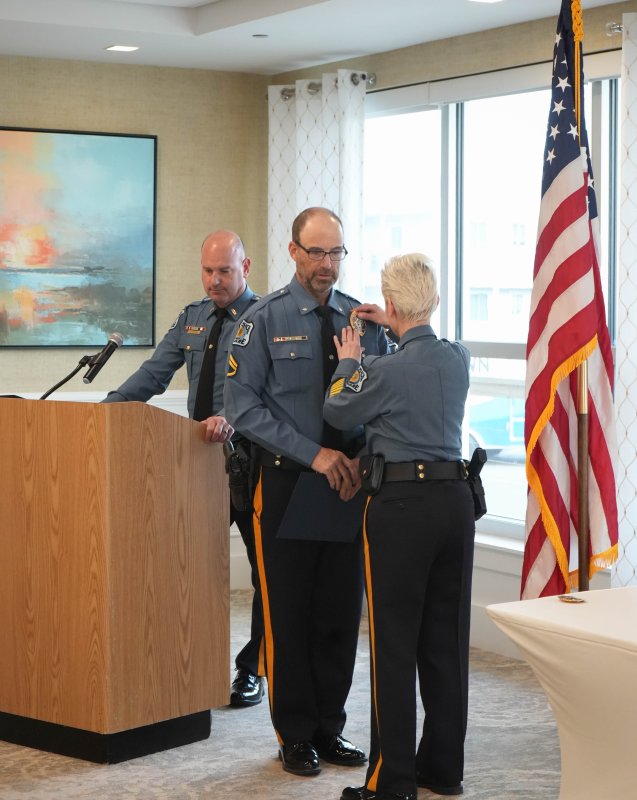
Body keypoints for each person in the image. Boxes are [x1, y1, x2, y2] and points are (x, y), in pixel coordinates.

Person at [223, 207, 392, 777]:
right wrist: (316, 454)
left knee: (339, 614)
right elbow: (241, 408)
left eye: (336, 252)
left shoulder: (361, 320)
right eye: (317, 253)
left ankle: (329, 727)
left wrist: (355, 458)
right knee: (290, 613)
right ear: (293, 251)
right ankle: (294, 733)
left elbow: (383, 397)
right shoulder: (262, 320)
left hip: (348, 487)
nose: (327, 265)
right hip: (289, 482)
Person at [324, 253, 475, 800]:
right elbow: (427, 349)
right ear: (433, 302)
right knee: (445, 641)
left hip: (402, 509)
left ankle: (393, 782)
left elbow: (337, 410)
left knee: (394, 643)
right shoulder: (458, 359)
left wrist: (348, 360)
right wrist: (398, 322)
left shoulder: (381, 372)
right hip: (456, 505)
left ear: (388, 304)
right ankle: (442, 768)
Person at [102, 229, 265, 709]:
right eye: (208, 271)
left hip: (250, 462)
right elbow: (154, 373)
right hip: (196, 465)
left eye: (225, 272)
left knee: (264, 574)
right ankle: (184, 664)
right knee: (183, 567)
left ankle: (253, 668)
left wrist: (232, 420)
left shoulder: (265, 318)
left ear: (246, 268)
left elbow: (271, 393)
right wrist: (106, 410)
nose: (214, 281)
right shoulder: (193, 319)